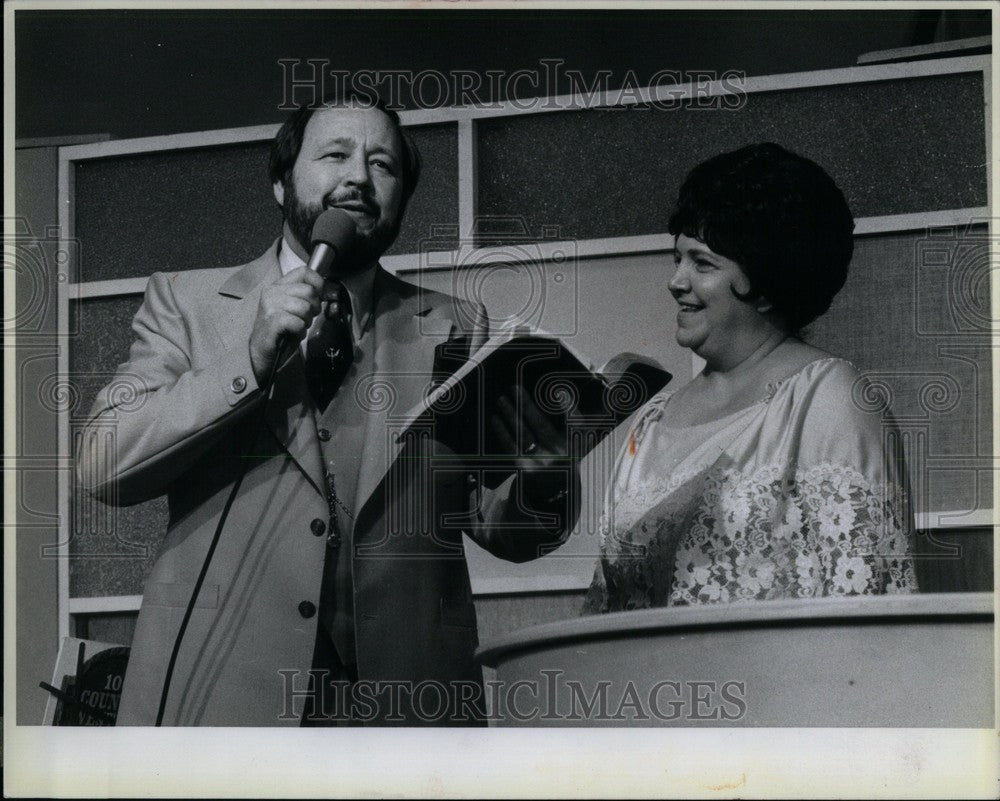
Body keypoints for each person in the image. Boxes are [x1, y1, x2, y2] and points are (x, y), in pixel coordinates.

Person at [78, 94, 579, 726]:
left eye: (383, 165)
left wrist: (547, 477)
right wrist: (249, 362)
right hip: (223, 701)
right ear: (281, 184)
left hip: (406, 707)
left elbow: (493, 521)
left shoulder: (455, 324)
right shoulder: (188, 303)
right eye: (335, 155)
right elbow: (103, 464)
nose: (359, 180)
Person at [582, 143, 918, 614]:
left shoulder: (830, 401)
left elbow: (868, 609)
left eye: (702, 263)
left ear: (766, 281)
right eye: (676, 258)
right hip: (655, 690)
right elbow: (607, 608)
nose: (675, 281)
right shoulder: (652, 422)